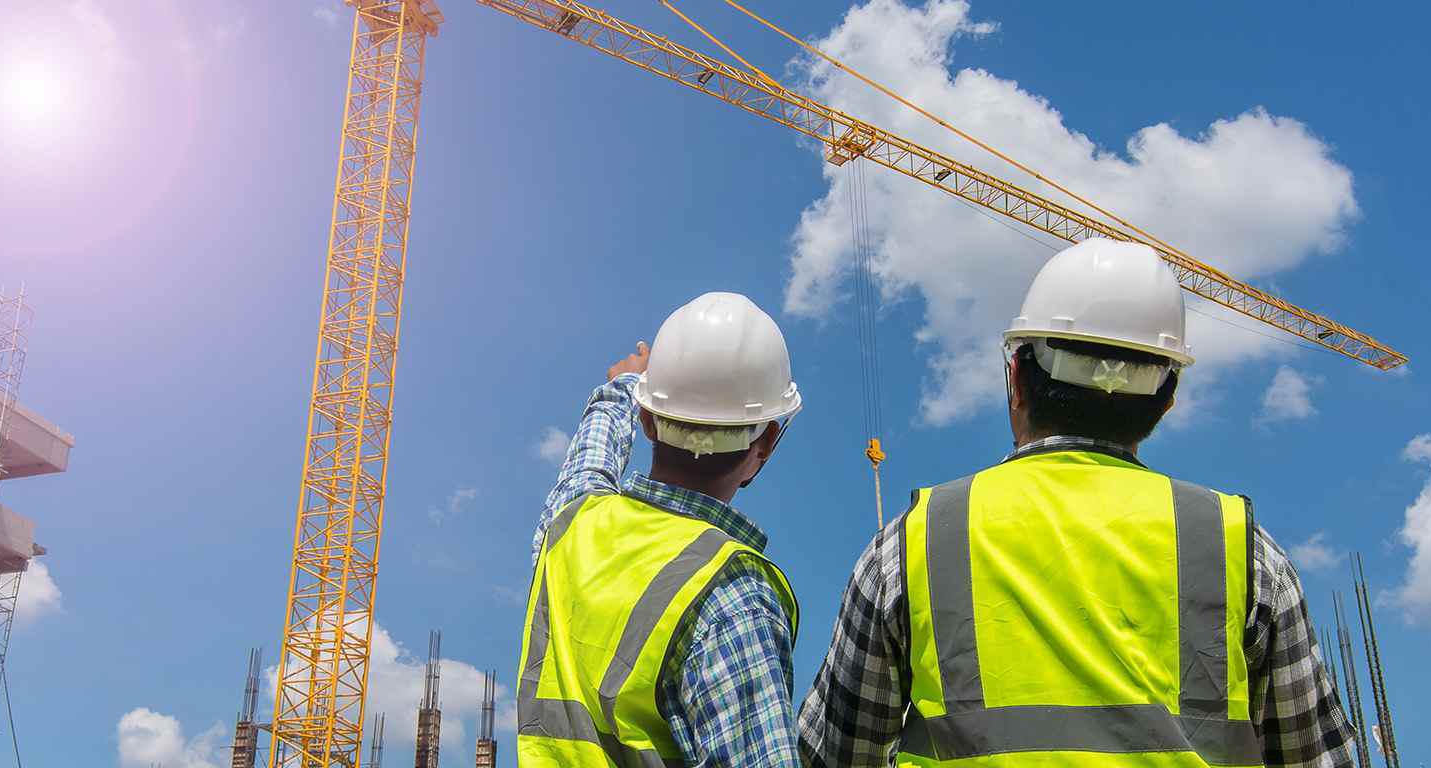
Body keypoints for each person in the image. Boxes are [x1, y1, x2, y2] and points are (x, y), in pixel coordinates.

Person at [797, 239, 1357, 767]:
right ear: (1167, 399)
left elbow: (830, 756)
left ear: (1016, 378)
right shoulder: (1240, 549)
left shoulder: (912, 544)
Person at [518, 292, 805, 767]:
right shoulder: (732, 596)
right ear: (766, 444)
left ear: (647, 420)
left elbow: (588, 462)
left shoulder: (573, 528)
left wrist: (627, 383)